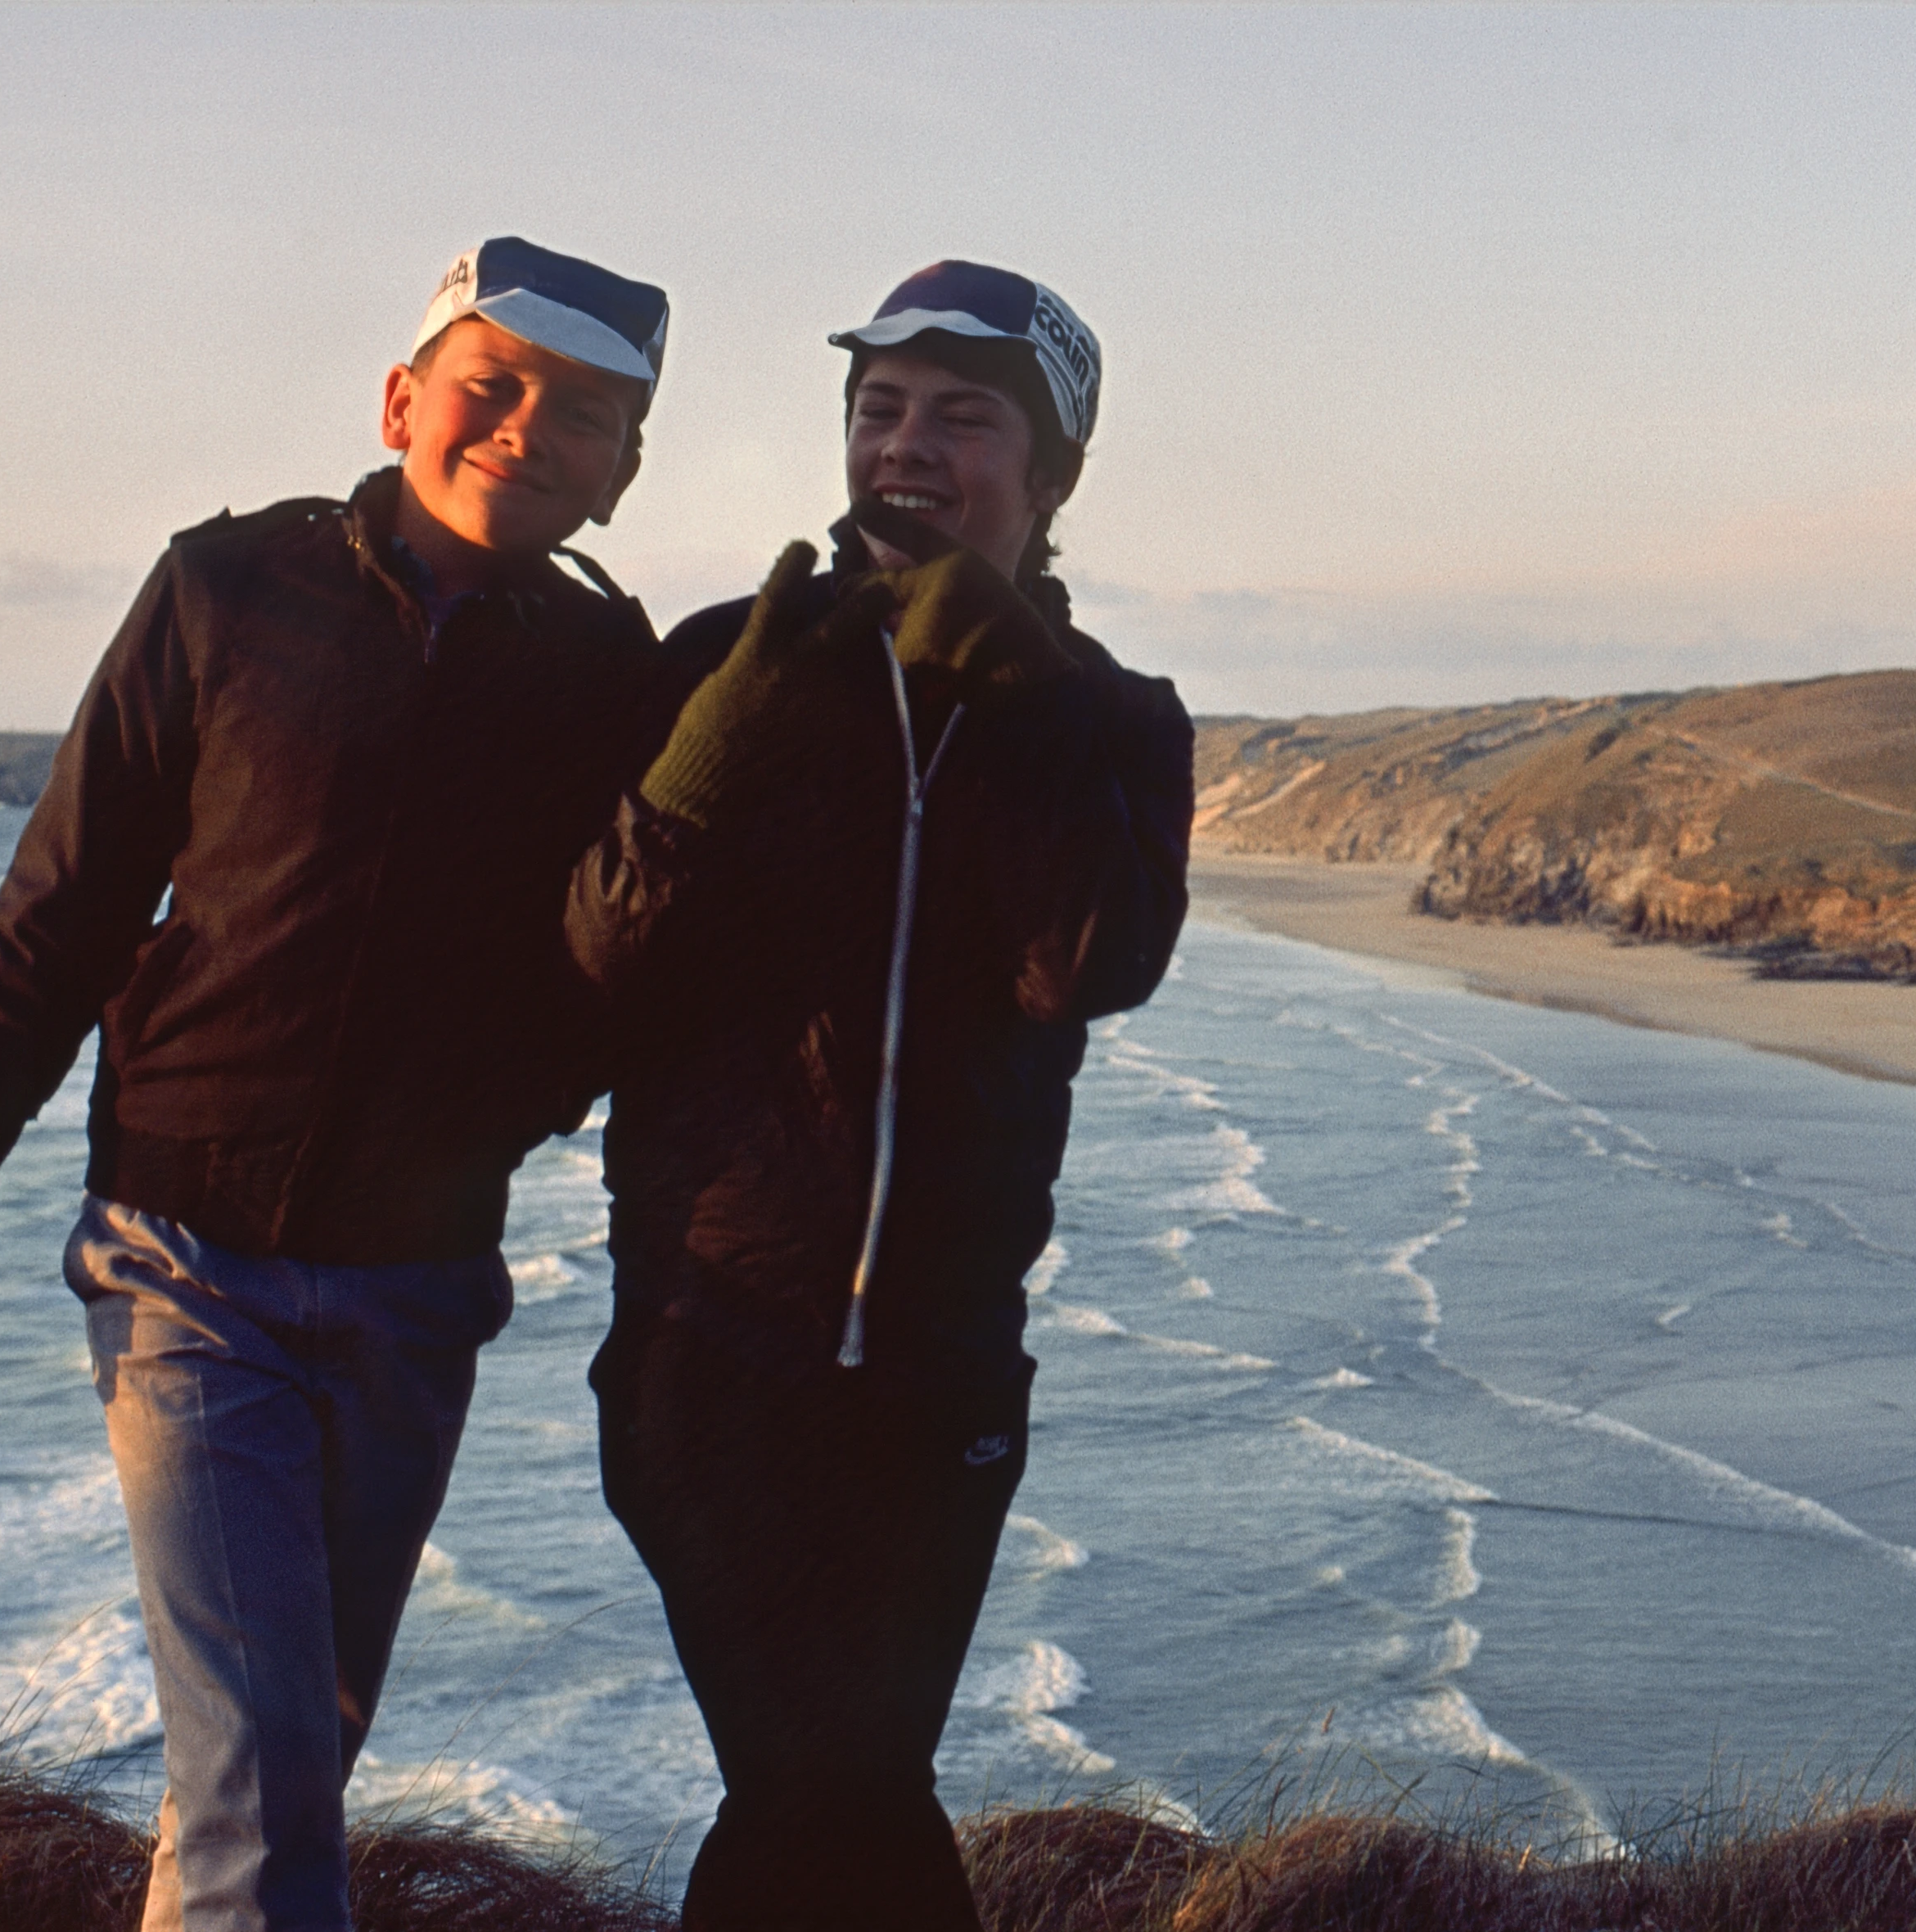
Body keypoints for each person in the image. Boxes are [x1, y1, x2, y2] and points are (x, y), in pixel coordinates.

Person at [0, 237, 678, 1930]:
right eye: (495, 385)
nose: (528, 429)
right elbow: (70, 892)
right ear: (405, 397)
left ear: (625, 471)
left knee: (283, 1755)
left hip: (419, 1290)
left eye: (589, 416)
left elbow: (626, 968)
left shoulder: (610, 682)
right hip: (183, 1260)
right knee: (263, 1773)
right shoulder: (228, 590)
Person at [567, 260, 1193, 1930]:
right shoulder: (724, 653)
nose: (904, 446)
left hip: (941, 1374)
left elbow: (1086, 961)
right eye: (877, 409)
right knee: (821, 1781)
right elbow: (596, 968)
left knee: (835, 1794)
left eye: (958, 417)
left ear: (1047, 471)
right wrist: (724, 736)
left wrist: (1015, 697)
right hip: (709, 1346)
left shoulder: (1115, 717)